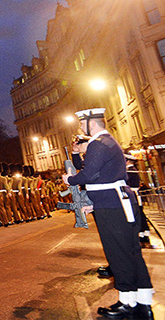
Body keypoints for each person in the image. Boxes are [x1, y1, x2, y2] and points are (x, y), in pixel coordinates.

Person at [63, 108, 153, 319]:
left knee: (118, 254)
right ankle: (142, 302)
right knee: (131, 253)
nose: (80, 128)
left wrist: (70, 179)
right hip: (115, 202)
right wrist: (94, 205)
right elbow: (105, 177)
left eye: (81, 124)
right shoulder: (107, 142)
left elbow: (91, 173)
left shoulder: (98, 143)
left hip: (113, 207)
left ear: (90, 124)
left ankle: (127, 303)